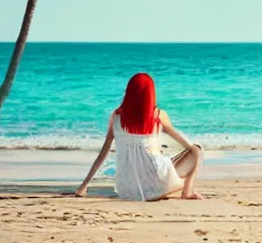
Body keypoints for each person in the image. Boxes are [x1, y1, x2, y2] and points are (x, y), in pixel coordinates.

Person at [75, 73, 204, 200]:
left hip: (128, 189)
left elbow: (104, 151)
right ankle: (187, 191)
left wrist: (84, 185)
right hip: (158, 182)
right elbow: (188, 145)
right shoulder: (158, 115)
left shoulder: (116, 117)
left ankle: (172, 187)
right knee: (197, 150)